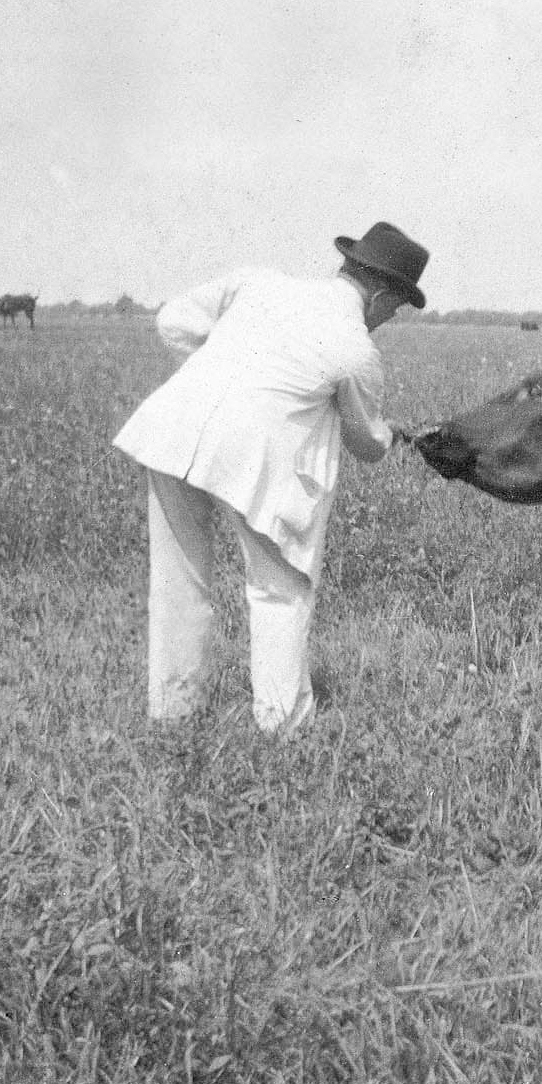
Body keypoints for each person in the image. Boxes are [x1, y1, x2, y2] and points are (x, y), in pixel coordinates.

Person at [112, 221, 428, 735]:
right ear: (380, 294)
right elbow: (368, 444)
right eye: (395, 308)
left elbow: (173, 321)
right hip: (247, 460)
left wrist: (227, 369)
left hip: (171, 430)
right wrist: (393, 434)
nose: (389, 319)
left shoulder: (257, 283)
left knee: (178, 584)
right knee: (281, 587)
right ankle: (282, 727)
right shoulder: (355, 347)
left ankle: (173, 716)